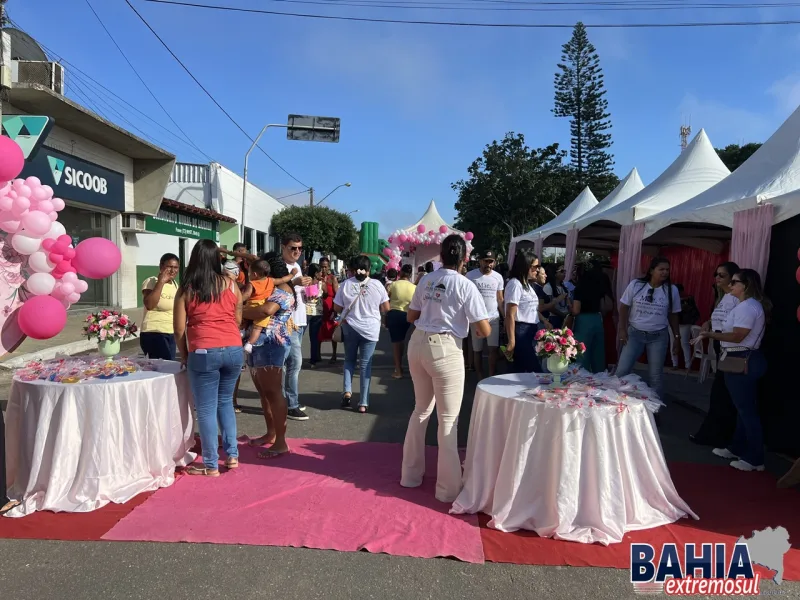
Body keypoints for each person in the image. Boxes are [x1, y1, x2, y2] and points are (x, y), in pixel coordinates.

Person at [401, 234, 491, 502]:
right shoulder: (466, 285)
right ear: (465, 258)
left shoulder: (426, 279)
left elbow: (410, 315)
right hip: (444, 347)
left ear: (441, 255)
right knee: (448, 420)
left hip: (417, 343)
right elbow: (484, 329)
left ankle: (410, 475)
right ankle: (447, 489)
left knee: (420, 410)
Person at [174, 239, 244, 477]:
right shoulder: (231, 285)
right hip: (234, 348)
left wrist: (186, 355)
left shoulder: (187, 289)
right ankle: (232, 454)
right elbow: (237, 319)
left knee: (205, 409)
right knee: (225, 402)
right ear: (217, 259)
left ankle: (211, 464)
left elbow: (179, 330)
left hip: (203, 351)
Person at [693, 269, 769, 472]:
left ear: (746, 285)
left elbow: (737, 336)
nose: (731, 284)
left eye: (735, 281)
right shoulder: (745, 306)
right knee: (741, 408)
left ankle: (754, 458)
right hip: (739, 358)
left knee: (746, 411)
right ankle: (738, 448)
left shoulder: (747, 307)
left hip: (742, 359)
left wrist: (710, 334)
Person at [244, 233, 313, 421]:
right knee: (269, 386)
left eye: (300, 248)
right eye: (293, 248)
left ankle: (281, 425)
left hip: (279, 334)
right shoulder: (276, 278)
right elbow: (264, 307)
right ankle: (279, 421)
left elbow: (267, 309)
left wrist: (238, 311)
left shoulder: (286, 283)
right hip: (269, 336)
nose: (297, 251)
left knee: (274, 386)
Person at [245, 253, 298, 459]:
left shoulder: (283, 291)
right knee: (264, 393)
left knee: (273, 392)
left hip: (272, 344)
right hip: (259, 343)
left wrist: (239, 308)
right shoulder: (270, 289)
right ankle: (271, 433)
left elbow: (264, 311)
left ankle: (281, 442)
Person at [616, 257, 682, 402]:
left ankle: (655, 408)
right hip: (635, 333)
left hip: (658, 336)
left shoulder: (672, 290)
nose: (665, 272)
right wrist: (622, 329)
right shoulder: (636, 285)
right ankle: (616, 403)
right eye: (661, 269)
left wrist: (677, 337)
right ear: (652, 270)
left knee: (655, 376)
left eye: (667, 270)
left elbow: (673, 315)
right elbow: (624, 307)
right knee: (622, 370)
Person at [690, 261, 741, 447]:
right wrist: (708, 323)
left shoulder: (736, 299)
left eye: (722, 275)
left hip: (729, 346)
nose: (717, 278)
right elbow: (718, 318)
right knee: (719, 392)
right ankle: (713, 434)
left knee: (723, 393)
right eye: (716, 274)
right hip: (720, 345)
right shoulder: (724, 297)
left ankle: (719, 436)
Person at [334, 255, 391, 413]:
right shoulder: (377, 285)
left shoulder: (345, 285)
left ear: (352, 270)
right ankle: (363, 403)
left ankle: (347, 391)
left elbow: (337, 309)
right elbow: (386, 308)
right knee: (366, 365)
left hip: (350, 327)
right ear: (369, 269)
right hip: (370, 330)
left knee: (349, 360)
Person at [465, 250, 504, 379]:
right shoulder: (470, 276)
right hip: (476, 319)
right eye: (486, 261)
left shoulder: (498, 277)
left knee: (493, 349)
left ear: (494, 262)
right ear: (480, 261)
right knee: (478, 350)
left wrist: (504, 316)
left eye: (491, 261)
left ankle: (491, 376)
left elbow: (500, 299)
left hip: (493, 318)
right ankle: (480, 376)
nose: (488, 264)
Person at [504, 248, 542, 373]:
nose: (537, 270)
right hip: (520, 331)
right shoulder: (515, 284)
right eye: (535, 267)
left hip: (530, 330)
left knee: (522, 372)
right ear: (526, 266)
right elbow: (510, 314)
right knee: (534, 371)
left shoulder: (527, 285)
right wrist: (512, 341)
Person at [140, 253, 180, 360]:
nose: (172, 270)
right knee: (158, 368)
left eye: (176, 267)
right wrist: (161, 282)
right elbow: (149, 304)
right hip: (154, 332)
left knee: (169, 366)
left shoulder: (176, 285)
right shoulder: (151, 281)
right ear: (161, 267)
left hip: (170, 333)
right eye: (169, 267)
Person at [570, 263, 607, 373]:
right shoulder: (598, 288)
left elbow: (576, 310)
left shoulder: (579, 288)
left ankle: (582, 376)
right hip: (597, 319)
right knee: (598, 352)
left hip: (583, 321)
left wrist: (569, 308)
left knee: (582, 352)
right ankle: (599, 375)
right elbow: (603, 306)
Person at [385, 263, 416, 379]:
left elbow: (385, 298)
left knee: (396, 343)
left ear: (401, 272)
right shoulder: (414, 287)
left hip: (394, 314)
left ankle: (398, 369)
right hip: (408, 316)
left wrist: (385, 316)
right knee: (403, 341)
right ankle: (403, 366)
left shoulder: (393, 285)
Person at [670, 284, 699, 371]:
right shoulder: (671, 299)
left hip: (684, 324)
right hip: (674, 324)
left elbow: (694, 313)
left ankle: (687, 365)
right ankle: (675, 364)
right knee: (674, 343)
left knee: (684, 343)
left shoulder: (688, 299)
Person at [317, 257, 340, 364]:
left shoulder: (332, 278)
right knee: (318, 331)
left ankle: (334, 354)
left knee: (332, 331)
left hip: (330, 307)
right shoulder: (317, 278)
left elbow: (337, 295)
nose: (323, 269)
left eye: (325, 267)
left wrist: (335, 310)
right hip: (319, 307)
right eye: (321, 266)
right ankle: (318, 354)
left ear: (329, 266)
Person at [306, 264, 325, 368]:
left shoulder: (319, 283)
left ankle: (314, 358)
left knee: (313, 337)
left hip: (313, 312)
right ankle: (313, 359)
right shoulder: (310, 282)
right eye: (319, 272)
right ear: (315, 273)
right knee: (311, 337)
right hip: (312, 312)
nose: (321, 273)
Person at [543, 264, 570, 328]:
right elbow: (549, 307)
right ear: (554, 273)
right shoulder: (548, 287)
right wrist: (563, 315)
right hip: (554, 318)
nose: (564, 274)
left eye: (565, 271)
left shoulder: (563, 287)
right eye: (561, 271)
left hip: (565, 317)